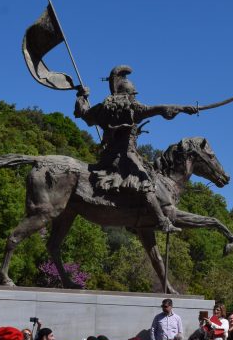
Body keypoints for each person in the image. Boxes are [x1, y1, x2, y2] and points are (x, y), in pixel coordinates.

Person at [74, 65, 198, 233]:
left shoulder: (103, 108)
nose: (134, 98)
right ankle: (162, 221)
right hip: (126, 157)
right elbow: (160, 109)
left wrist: (82, 96)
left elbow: (84, 114)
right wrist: (183, 108)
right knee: (145, 182)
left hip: (107, 157)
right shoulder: (132, 109)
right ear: (130, 95)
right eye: (133, 95)